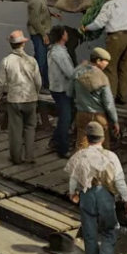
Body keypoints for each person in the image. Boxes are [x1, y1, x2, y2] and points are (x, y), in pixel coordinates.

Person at [66, 121, 127, 254]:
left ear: (87, 139)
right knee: (110, 231)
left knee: (89, 232)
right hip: (105, 195)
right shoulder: (111, 157)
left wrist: (73, 192)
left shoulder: (80, 155)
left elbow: (73, 178)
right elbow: (120, 180)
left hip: (87, 195)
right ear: (102, 139)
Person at [0, 30, 42, 165]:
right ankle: (30, 156)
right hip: (30, 98)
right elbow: (38, 81)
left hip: (14, 99)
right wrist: (35, 92)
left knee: (15, 129)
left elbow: (1, 82)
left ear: (11, 45)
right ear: (23, 44)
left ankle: (16, 157)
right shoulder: (32, 61)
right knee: (30, 127)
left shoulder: (6, 61)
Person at [83, 0, 127, 105]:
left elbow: (98, 24)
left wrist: (87, 27)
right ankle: (122, 97)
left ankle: (110, 98)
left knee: (110, 68)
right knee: (124, 68)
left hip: (115, 38)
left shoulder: (108, 6)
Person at [72, 47, 120, 149]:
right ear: (98, 61)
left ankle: (80, 164)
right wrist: (115, 121)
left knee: (81, 146)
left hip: (81, 113)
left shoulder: (77, 72)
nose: (107, 63)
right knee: (103, 145)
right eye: (105, 61)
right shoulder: (103, 77)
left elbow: (70, 91)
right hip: (99, 116)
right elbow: (109, 104)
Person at [47, 25, 78, 158]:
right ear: (62, 36)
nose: (67, 35)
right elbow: (70, 72)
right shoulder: (59, 53)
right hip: (62, 89)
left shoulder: (56, 50)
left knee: (67, 114)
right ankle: (63, 148)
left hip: (59, 88)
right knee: (65, 119)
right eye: (66, 33)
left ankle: (55, 141)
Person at [26, 0, 56, 87]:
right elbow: (34, 20)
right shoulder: (35, 0)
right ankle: (41, 84)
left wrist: (51, 14)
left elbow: (42, 10)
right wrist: (44, 35)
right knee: (41, 61)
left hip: (43, 30)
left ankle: (41, 82)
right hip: (39, 33)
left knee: (41, 57)